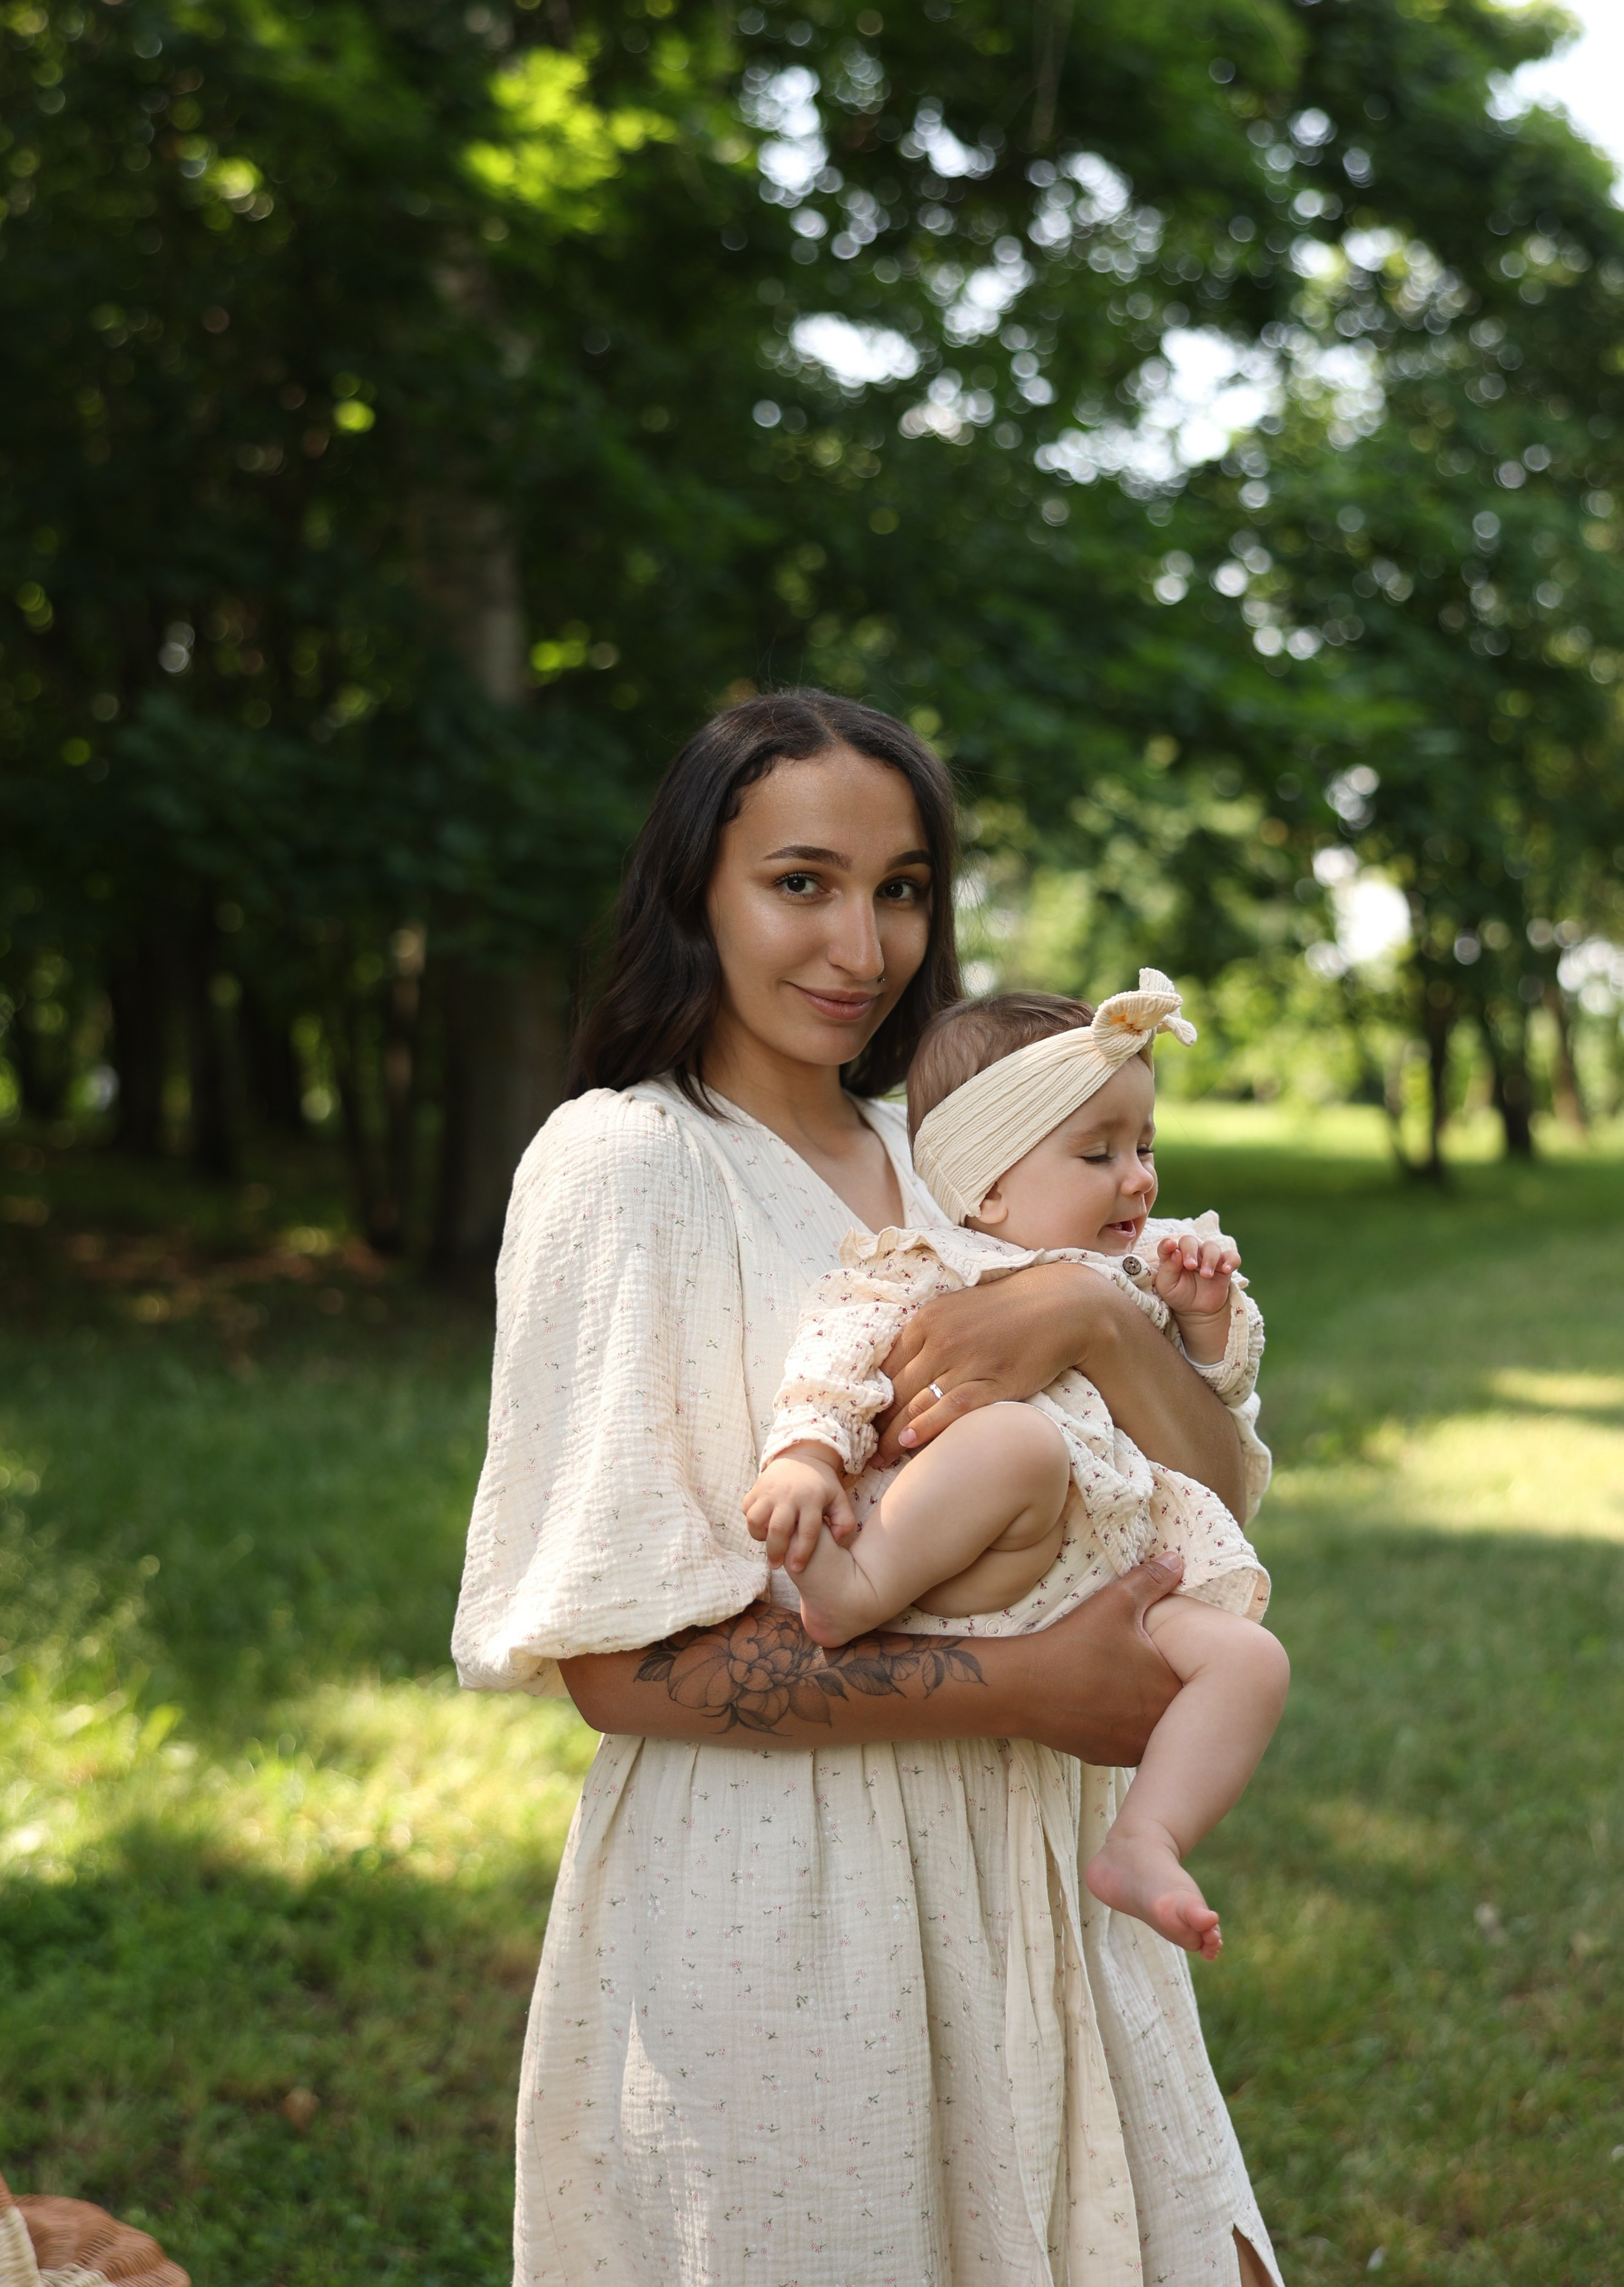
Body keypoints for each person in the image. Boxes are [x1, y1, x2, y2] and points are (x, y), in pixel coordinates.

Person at [453, 688, 1284, 2286]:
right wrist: (1026, 1683)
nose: (861, 945)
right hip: (789, 1906)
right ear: (695, 887)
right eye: (800, 882)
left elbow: (1219, 1498)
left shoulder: (962, 1156)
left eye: (899, 890)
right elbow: (620, 1673)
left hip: (1047, 1880)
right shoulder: (628, 1167)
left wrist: (1097, 1317)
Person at [742, 978, 1289, 1961]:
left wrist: (1202, 1323)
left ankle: (1147, 1840)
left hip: (1092, 1578)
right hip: (973, 1560)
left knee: (1253, 1660)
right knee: (1018, 1439)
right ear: (988, 1187)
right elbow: (835, 1353)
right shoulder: (932, 1268)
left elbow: (1220, 1399)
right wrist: (805, 1457)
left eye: (1145, 1146)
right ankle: (849, 1589)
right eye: (1100, 1154)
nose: (1139, 1180)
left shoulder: (1138, 1273)